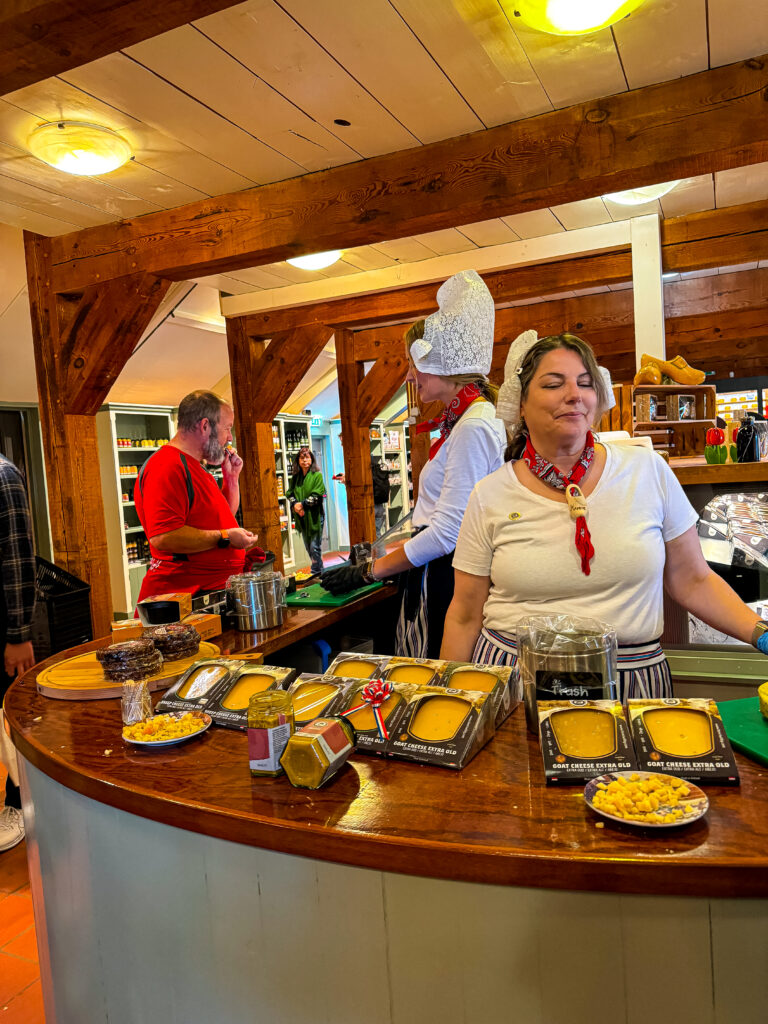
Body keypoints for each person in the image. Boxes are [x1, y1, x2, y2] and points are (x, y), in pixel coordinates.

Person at [441, 332, 768, 699]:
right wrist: (453, 704)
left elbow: (693, 580)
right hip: (517, 681)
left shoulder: (647, 471)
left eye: (585, 383)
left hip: (632, 681)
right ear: (520, 404)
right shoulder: (490, 494)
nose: (574, 395)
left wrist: (760, 632)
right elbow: (465, 614)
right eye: (553, 384)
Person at [321, 269, 507, 658]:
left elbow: (448, 533)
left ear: (443, 364)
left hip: (447, 576)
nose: (409, 375)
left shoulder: (472, 426)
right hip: (446, 570)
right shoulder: (472, 419)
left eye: (414, 364)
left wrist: (370, 571)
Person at [135, 391, 258, 600]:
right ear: (204, 426)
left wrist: (231, 479)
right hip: (185, 598)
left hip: (207, 591)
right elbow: (164, 536)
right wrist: (225, 537)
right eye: (227, 428)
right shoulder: (167, 466)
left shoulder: (195, 466)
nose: (229, 438)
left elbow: (222, 517)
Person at [0, 454, 36, 852]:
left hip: (4, 627)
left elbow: (18, 560)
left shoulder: (4, 476)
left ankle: (18, 804)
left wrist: (18, 634)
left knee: (8, 717)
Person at [286, 446, 326, 575]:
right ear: (298, 461)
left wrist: (301, 505)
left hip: (315, 516)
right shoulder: (296, 478)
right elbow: (289, 494)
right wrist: (295, 506)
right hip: (301, 517)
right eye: (302, 458)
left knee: (315, 547)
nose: (304, 461)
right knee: (308, 546)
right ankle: (320, 571)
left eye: (307, 458)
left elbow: (318, 496)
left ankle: (316, 573)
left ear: (311, 460)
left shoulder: (317, 476)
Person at [371, 454, 391, 538]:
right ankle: (382, 552)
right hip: (380, 505)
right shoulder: (378, 470)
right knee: (378, 534)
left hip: (371, 507)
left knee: (372, 535)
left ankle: (377, 551)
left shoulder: (367, 473)